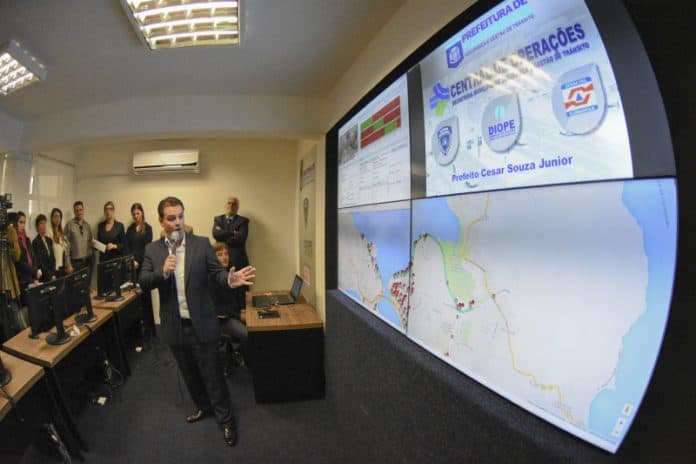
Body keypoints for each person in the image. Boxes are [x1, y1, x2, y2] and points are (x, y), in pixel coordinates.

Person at [139, 196, 255, 447]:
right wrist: (163, 272)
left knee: (213, 374)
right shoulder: (152, 250)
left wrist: (229, 280)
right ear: (161, 221)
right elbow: (144, 282)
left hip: (202, 323)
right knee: (189, 373)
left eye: (181, 216)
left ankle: (226, 420)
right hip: (174, 326)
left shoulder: (201, 244)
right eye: (172, 218)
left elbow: (218, 273)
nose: (178, 222)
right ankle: (203, 406)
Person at [212, 196, 250, 309]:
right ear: (225, 205)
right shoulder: (218, 219)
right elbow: (216, 234)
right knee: (222, 289)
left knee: (240, 291)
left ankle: (241, 314)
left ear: (237, 207)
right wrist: (233, 233)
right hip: (220, 263)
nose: (231, 205)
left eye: (234, 204)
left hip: (238, 262)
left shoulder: (243, 221)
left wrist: (223, 235)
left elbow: (241, 238)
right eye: (229, 203)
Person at [211, 241, 248, 342]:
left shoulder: (229, 274)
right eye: (220, 255)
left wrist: (242, 311)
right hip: (222, 321)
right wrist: (239, 316)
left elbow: (232, 302)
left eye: (226, 254)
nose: (224, 257)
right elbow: (219, 309)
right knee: (248, 334)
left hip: (232, 315)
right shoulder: (212, 278)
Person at [126, 202, 154, 334]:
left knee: (145, 297)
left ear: (142, 213)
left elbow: (147, 248)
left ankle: (149, 329)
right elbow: (127, 247)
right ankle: (137, 329)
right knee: (134, 298)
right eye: (133, 214)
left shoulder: (148, 228)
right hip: (132, 267)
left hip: (144, 267)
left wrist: (139, 261)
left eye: (137, 213)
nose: (136, 216)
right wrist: (131, 260)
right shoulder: (130, 229)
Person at [0, 213, 23, 339]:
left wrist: (10, 241)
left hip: (9, 282)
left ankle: (19, 343)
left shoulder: (10, 230)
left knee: (16, 318)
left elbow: (17, 256)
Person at [64, 201, 95, 277]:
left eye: (80, 210)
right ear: (74, 211)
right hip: (75, 263)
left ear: (83, 210)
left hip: (87, 262)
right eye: (77, 210)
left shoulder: (87, 226)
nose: (79, 212)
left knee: (87, 283)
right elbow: (66, 246)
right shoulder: (69, 225)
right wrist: (68, 264)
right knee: (77, 284)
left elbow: (91, 242)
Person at [31, 214, 56, 282]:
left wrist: (53, 273)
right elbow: (39, 262)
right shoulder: (35, 242)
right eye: (41, 223)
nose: (44, 226)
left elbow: (53, 258)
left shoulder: (49, 240)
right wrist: (49, 275)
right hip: (44, 276)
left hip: (53, 275)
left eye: (45, 223)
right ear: (37, 226)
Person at [49, 208, 73, 276]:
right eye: (55, 216)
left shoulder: (62, 233)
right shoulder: (49, 231)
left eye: (59, 216)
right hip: (54, 267)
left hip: (62, 266)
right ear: (52, 218)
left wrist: (68, 265)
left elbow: (66, 249)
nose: (57, 219)